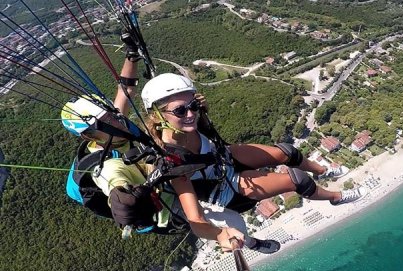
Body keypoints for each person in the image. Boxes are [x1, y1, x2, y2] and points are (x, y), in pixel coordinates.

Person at [62, 59, 279, 253]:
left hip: (169, 176)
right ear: (88, 135)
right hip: (164, 205)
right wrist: (121, 198)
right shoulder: (104, 163)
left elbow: (125, 89)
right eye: (107, 121)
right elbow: (113, 179)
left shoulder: (115, 128)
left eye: (112, 113)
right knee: (232, 221)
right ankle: (249, 244)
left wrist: (131, 56)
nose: (116, 120)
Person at [137, 73, 366, 221]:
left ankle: (323, 171)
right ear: (157, 116)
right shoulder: (171, 161)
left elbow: (196, 122)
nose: (190, 113)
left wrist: (200, 110)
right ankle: (336, 196)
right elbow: (194, 216)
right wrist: (223, 235)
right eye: (180, 110)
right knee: (297, 180)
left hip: (224, 157)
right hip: (227, 188)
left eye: (194, 105)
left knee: (286, 151)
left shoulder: (192, 121)